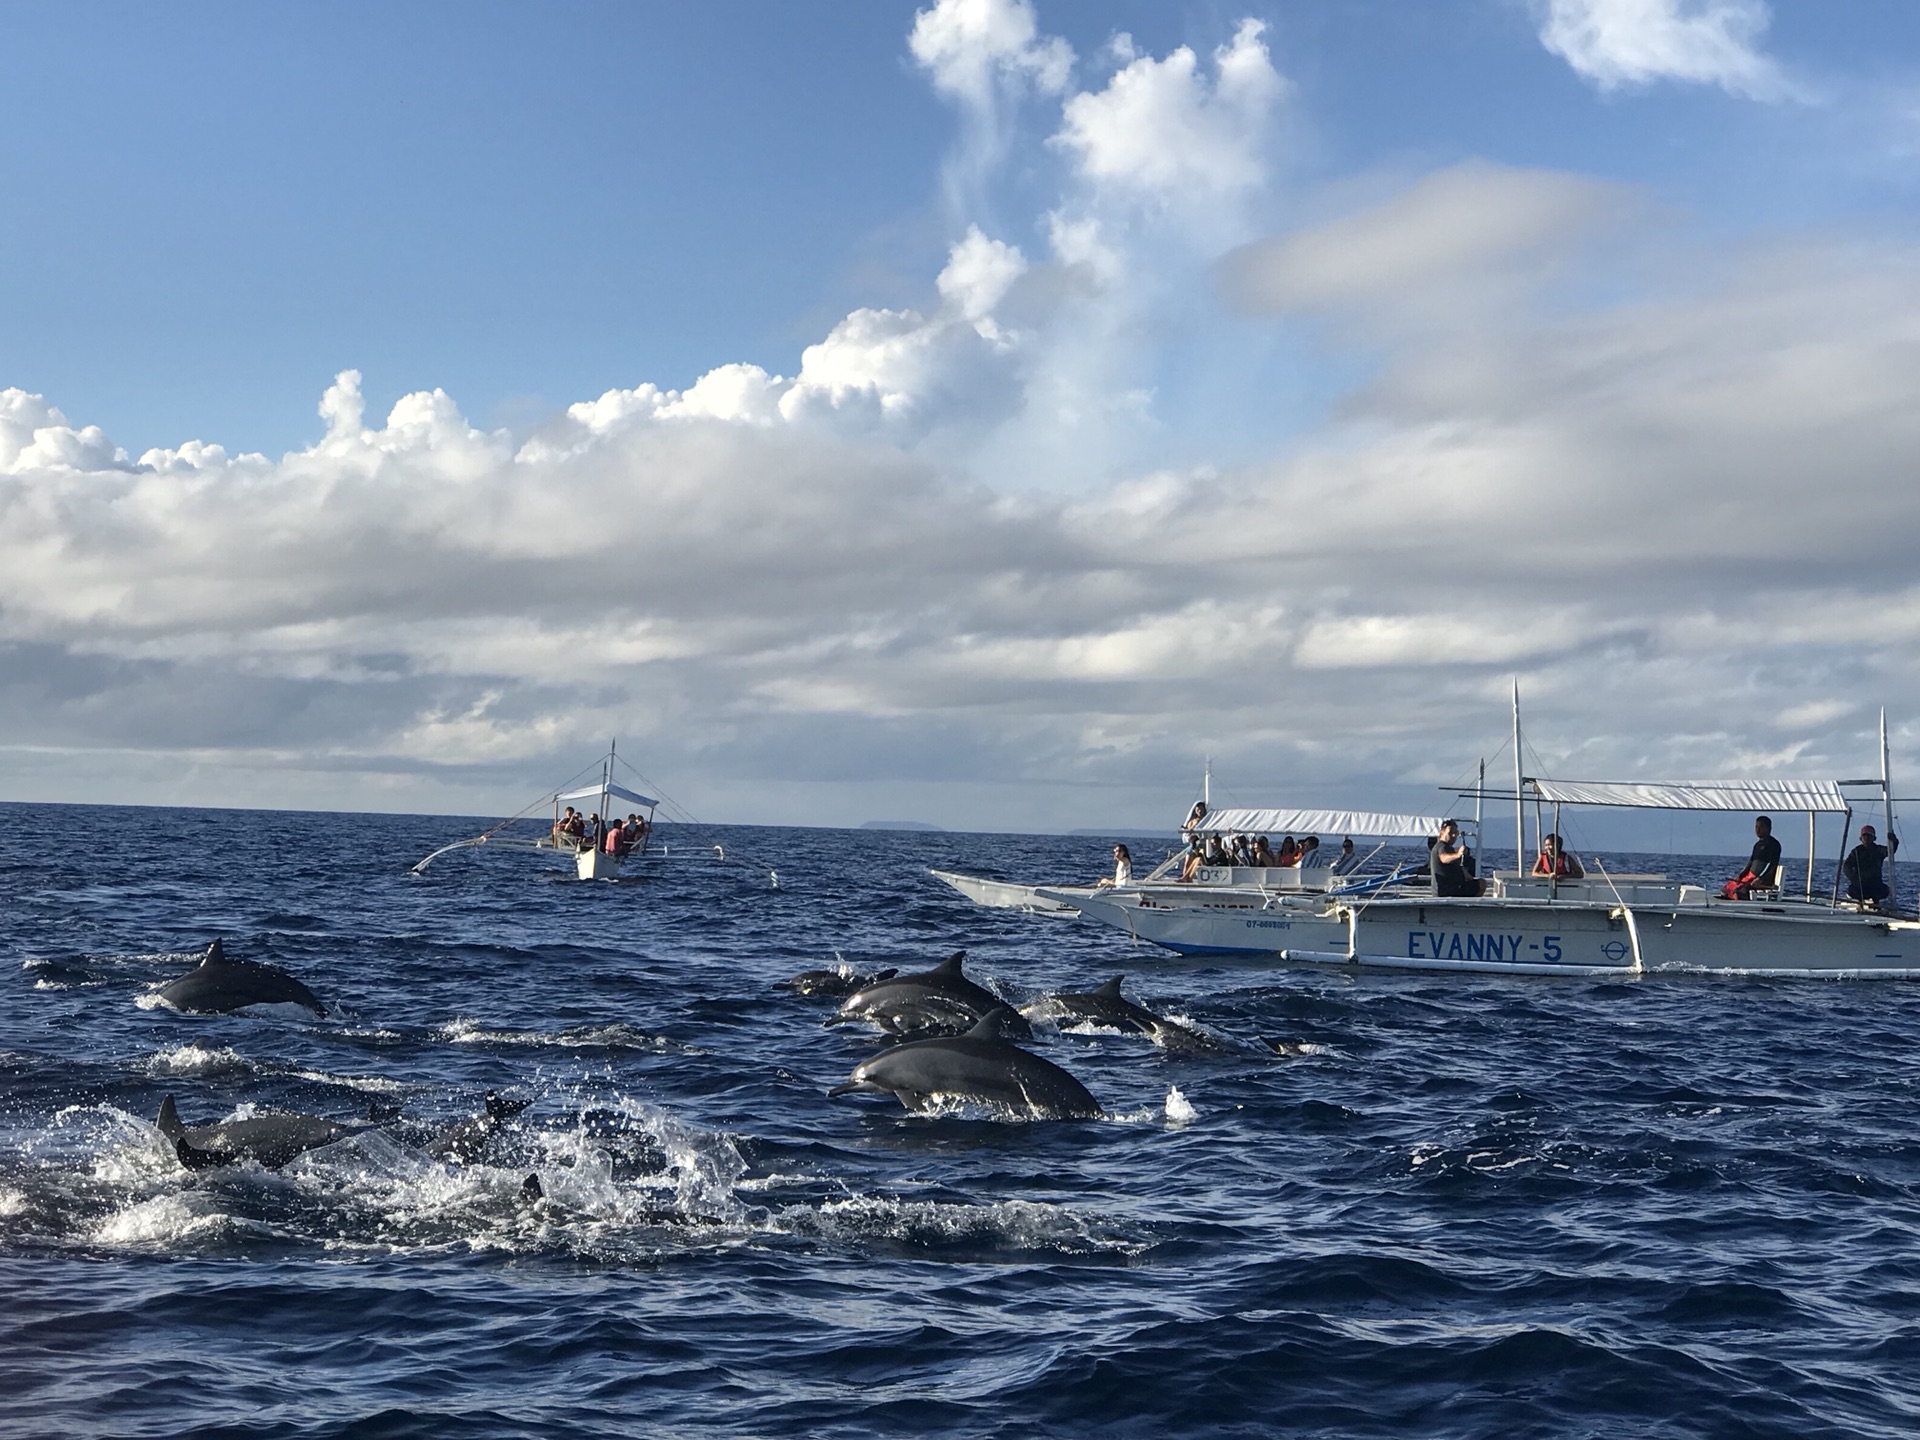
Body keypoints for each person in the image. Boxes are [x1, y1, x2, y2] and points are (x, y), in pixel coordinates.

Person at [1721, 815, 1783, 901]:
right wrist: (1741, 875)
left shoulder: (1773, 845)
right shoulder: (1757, 845)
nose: (1757, 830)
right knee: (1726, 888)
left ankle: (1743, 909)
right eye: (1756, 827)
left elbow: (1771, 865)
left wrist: (1760, 879)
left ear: (1768, 828)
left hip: (1762, 880)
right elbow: (1751, 862)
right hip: (1750, 877)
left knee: (1740, 891)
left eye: (1761, 827)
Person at [1844, 824, 1899, 907]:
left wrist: (1894, 841)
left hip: (1875, 884)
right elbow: (1846, 866)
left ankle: (1876, 905)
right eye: (1864, 836)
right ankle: (1859, 904)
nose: (1866, 838)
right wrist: (1854, 878)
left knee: (1885, 890)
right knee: (1851, 890)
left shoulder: (1878, 850)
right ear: (1860, 838)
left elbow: (1890, 851)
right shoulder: (1856, 851)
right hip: (1860, 884)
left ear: (1874, 838)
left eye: (1869, 836)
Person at [1431, 820, 1482, 897]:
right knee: (1482, 884)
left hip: (1453, 888)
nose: (1454, 836)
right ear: (1442, 833)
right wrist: (1458, 855)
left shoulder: (1449, 848)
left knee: (1477, 883)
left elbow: (1459, 868)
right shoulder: (1442, 846)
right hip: (1447, 892)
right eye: (1450, 833)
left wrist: (1469, 877)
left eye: (1456, 833)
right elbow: (1444, 858)